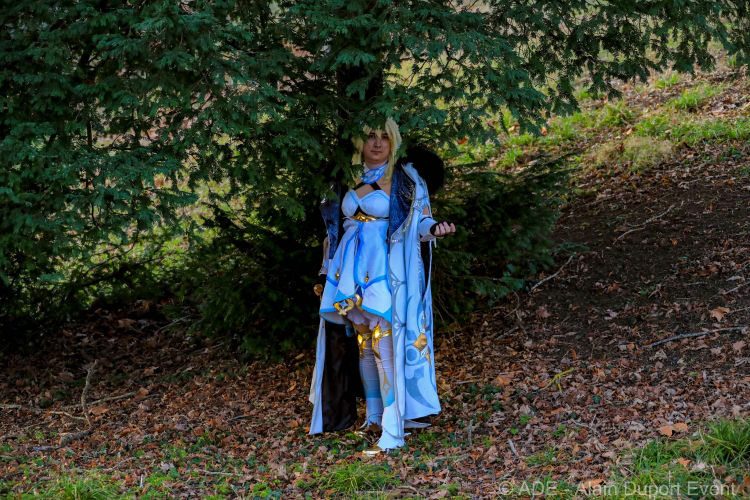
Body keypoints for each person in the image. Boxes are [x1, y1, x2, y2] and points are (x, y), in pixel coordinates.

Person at [308, 118, 456, 456]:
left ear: (394, 141)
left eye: (384, 137)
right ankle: (373, 418)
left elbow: (420, 221)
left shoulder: (407, 178)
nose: (377, 143)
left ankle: (393, 430)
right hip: (349, 273)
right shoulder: (345, 175)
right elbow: (334, 227)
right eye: (371, 136)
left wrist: (435, 229)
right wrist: (326, 269)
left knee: (384, 344)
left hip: (387, 274)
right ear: (360, 141)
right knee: (363, 342)